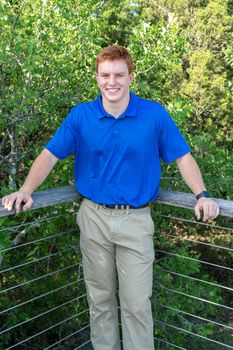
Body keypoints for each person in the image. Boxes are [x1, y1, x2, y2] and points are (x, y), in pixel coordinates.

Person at [1, 45, 219, 350]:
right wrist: (25, 190)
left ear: (131, 76)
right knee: (99, 302)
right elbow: (49, 155)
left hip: (136, 221)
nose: (111, 81)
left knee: (137, 306)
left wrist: (202, 194)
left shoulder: (153, 114)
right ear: (97, 77)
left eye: (119, 74)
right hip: (93, 219)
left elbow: (182, 157)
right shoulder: (81, 116)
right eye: (105, 75)